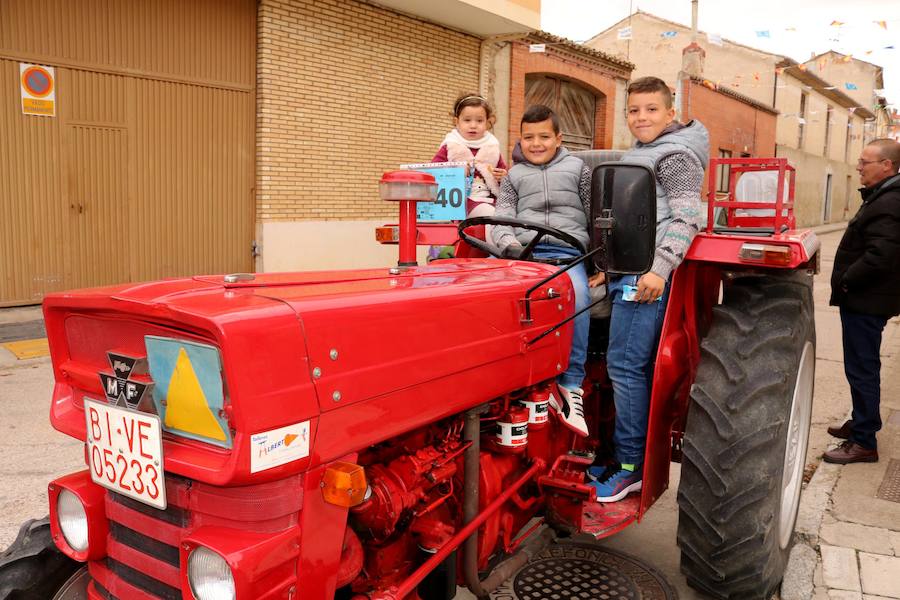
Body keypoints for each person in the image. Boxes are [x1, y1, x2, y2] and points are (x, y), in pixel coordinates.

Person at [587, 76, 709, 502]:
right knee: (607, 363)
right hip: (625, 270)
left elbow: (686, 218)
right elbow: (621, 217)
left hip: (646, 276)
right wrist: (603, 266)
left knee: (625, 367)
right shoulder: (639, 154)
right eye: (635, 110)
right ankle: (609, 453)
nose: (642, 117)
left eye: (651, 110)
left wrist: (658, 270)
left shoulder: (675, 156)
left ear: (670, 113)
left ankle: (631, 467)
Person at [491, 104, 593, 437]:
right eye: (529, 137)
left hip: (567, 255)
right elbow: (501, 216)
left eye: (544, 137)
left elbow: (596, 215)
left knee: (577, 299)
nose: (536, 143)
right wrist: (509, 244)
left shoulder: (578, 169)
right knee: (483, 293)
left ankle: (571, 384)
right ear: (520, 139)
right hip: (524, 255)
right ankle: (496, 375)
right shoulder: (514, 176)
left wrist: (600, 263)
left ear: (559, 138)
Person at [824, 138, 900, 464]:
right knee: (861, 366)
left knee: (862, 369)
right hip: (865, 299)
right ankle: (861, 423)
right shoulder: (884, 195)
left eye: (865, 161)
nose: (859, 166)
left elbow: (881, 255)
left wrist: (845, 281)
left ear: (887, 166)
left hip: (865, 301)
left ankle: (864, 441)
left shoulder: (891, 200)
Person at [432, 93, 508, 221]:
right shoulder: (451, 145)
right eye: (467, 120)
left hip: (491, 200)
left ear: (488, 122)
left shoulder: (492, 147)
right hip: (461, 202)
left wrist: (504, 176)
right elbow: (434, 172)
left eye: (479, 120)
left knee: (506, 217)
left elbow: (505, 175)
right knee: (494, 217)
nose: (473, 125)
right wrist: (454, 170)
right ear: (457, 121)